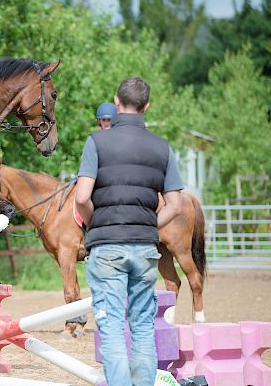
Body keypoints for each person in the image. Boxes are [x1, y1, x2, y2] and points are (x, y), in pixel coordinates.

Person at [74, 77, 183, 386]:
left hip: (107, 247)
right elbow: (174, 204)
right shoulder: (161, 146)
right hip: (145, 249)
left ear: (116, 102)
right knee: (142, 327)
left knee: (110, 329)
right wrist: (149, 225)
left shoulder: (97, 141)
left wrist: (96, 223)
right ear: (146, 106)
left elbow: (82, 197)